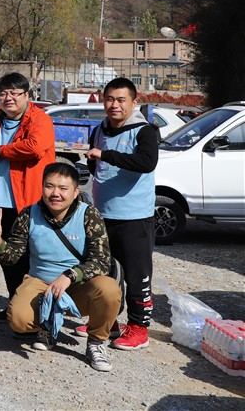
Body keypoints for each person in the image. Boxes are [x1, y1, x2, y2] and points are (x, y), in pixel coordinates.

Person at [0, 163, 121, 372]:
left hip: (78, 285)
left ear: (75, 192)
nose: (55, 193)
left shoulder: (89, 215)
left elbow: (101, 261)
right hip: (41, 284)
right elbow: (11, 258)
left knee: (109, 289)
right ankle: (47, 327)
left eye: (63, 188)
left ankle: (96, 342)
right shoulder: (29, 214)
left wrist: (70, 275)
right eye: (49, 186)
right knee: (18, 319)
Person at [86, 77, 160, 350]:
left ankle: (139, 328)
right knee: (105, 272)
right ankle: (108, 322)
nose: (114, 105)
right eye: (109, 99)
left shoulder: (144, 131)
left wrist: (107, 155)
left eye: (121, 100)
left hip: (134, 217)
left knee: (137, 275)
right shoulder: (99, 129)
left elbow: (147, 162)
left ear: (134, 102)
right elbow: (93, 164)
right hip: (103, 215)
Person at [0, 72, 56, 321]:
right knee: (4, 255)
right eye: (3, 94)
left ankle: (35, 310)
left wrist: (0, 151)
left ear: (27, 95)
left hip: (27, 201)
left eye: (14, 93)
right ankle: (14, 304)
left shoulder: (40, 119)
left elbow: (34, 147)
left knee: (30, 257)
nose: (8, 98)